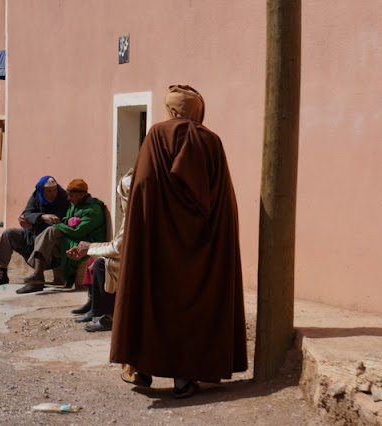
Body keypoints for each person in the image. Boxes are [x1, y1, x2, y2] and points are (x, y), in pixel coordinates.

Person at [110, 85, 247, 399]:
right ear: (198, 109)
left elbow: (142, 188)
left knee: (151, 298)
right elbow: (222, 200)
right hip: (202, 245)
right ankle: (183, 379)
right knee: (196, 302)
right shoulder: (212, 142)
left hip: (158, 243)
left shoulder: (156, 136)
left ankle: (142, 368)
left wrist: (145, 233)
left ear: (170, 109)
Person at [67, 169, 133, 332]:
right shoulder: (73, 207)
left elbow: (118, 247)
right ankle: (94, 307)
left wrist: (90, 247)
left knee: (101, 264)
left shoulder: (95, 208)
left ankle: (107, 315)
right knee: (95, 259)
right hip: (123, 252)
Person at [16, 178, 106, 294]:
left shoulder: (93, 210)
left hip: (86, 242)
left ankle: (38, 275)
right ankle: (38, 278)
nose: (68, 198)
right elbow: (65, 220)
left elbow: (78, 232)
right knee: (47, 236)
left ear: (81, 195)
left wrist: (59, 225)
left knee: (51, 231)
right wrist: (67, 221)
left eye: (71, 196)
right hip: (72, 238)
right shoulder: (74, 204)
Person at [0, 176, 69, 288]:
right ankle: (2, 273)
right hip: (32, 235)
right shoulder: (36, 197)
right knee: (9, 234)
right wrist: (41, 217)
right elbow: (27, 214)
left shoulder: (63, 198)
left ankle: (39, 276)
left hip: (50, 239)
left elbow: (62, 221)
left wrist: (33, 224)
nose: (53, 193)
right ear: (42, 190)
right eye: (49, 191)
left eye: (54, 190)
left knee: (49, 232)